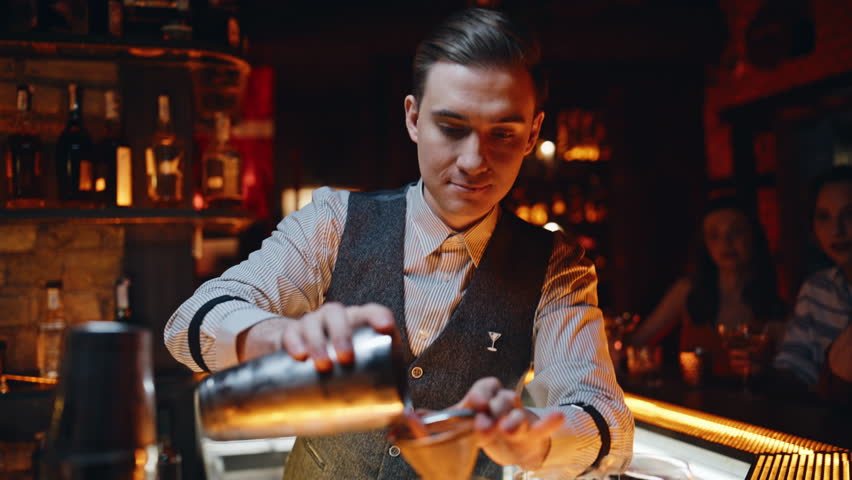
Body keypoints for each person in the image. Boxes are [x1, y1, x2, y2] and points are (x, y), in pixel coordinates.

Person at [164, 8, 633, 479]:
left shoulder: (555, 267)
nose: (474, 161)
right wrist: (284, 337)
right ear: (413, 118)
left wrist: (534, 440)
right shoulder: (334, 221)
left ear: (531, 134)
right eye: (452, 128)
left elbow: (608, 421)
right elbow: (187, 325)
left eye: (503, 134)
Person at [628, 197, 786, 380]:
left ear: (753, 236)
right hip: (693, 397)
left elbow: (792, 370)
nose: (726, 243)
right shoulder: (688, 291)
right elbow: (638, 340)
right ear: (705, 243)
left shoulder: (776, 299)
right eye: (714, 235)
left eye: (736, 232)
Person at [773, 166, 852, 404]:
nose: (837, 230)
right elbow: (794, 365)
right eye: (824, 217)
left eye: (849, 214)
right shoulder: (818, 288)